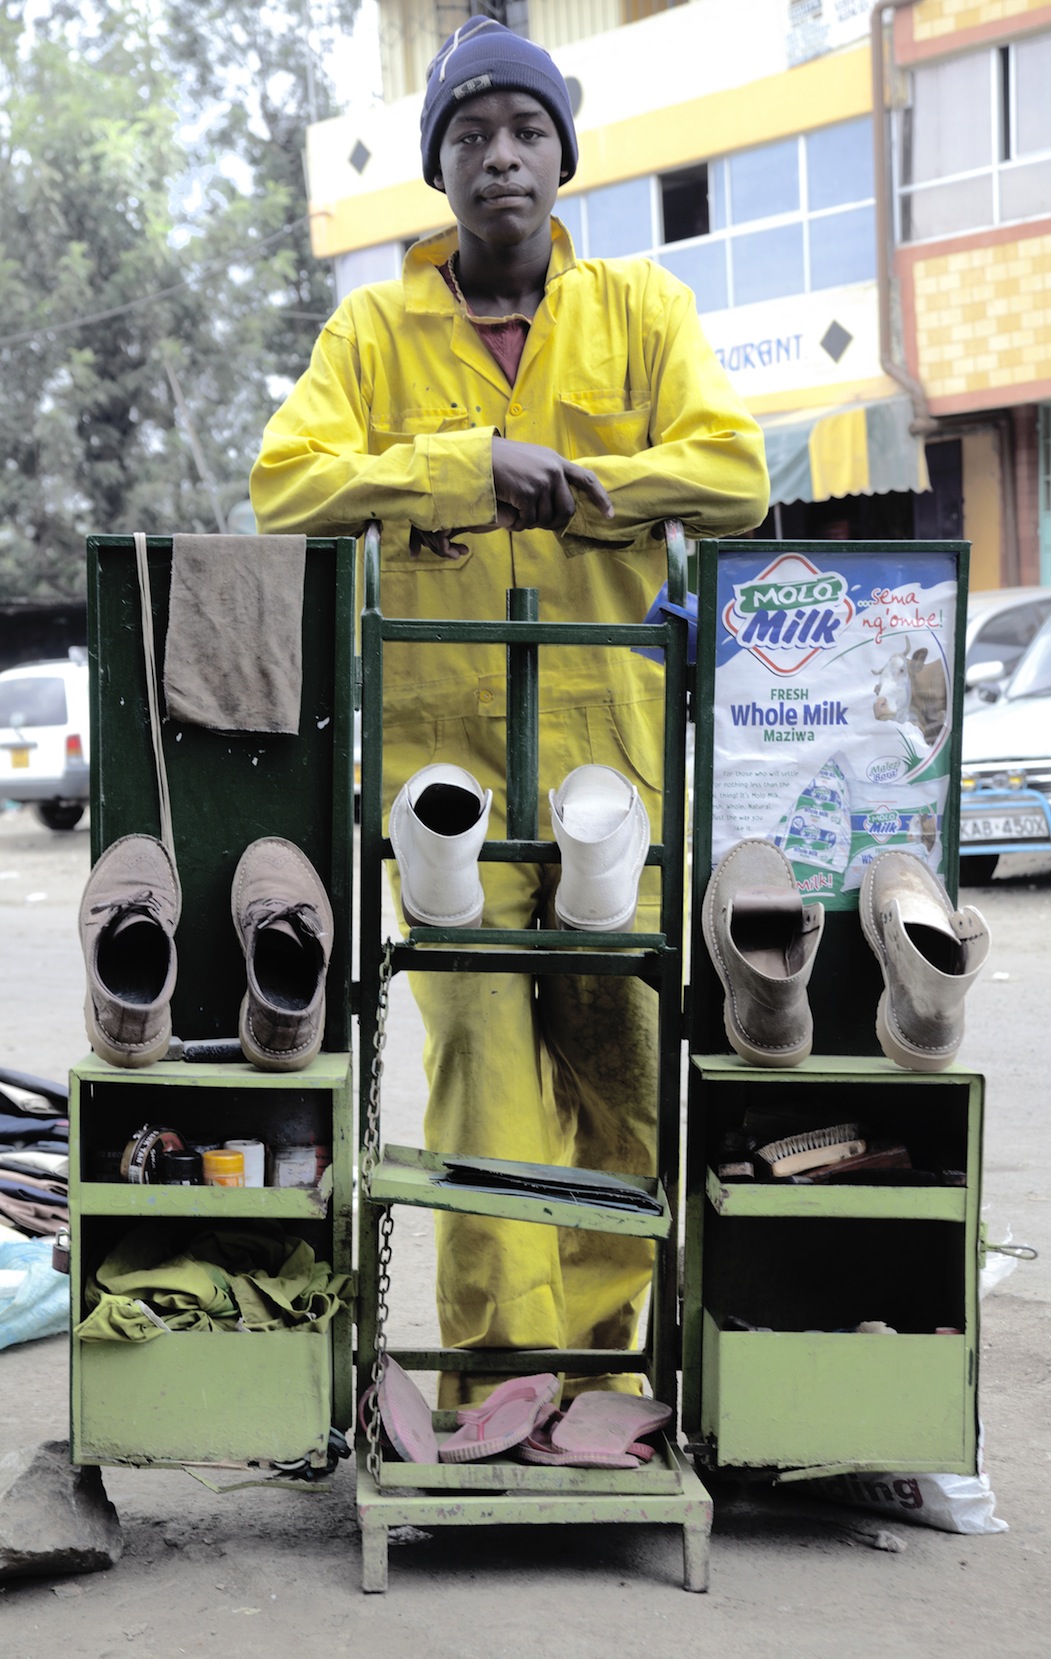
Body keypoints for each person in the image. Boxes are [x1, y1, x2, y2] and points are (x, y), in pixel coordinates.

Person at [250, 15, 769, 1407]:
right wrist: (466, 465)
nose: (499, 159)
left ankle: (596, 1380)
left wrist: (598, 486)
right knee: (481, 1072)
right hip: (445, 779)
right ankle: (497, 1380)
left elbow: (734, 476)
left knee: (616, 1065)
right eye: (470, 136)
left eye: (524, 132)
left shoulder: (639, 312)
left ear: (562, 158)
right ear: (437, 167)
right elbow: (285, 485)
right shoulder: (373, 329)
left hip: (610, 772)